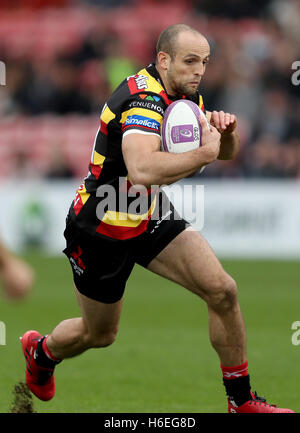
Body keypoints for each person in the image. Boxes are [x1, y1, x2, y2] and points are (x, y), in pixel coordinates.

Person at [20, 24, 293, 413]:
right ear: (164, 60)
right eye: (190, 61)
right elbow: (143, 169)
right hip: (101, 225)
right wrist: (205, 153)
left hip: (145, 213)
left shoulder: (183, 97)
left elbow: (223, 153)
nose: (200, 70)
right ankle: (42, 353)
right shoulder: (142, 99)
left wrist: (226, 134)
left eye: (205, 62)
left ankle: (241, 401)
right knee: (99, 333)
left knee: (222, 290)